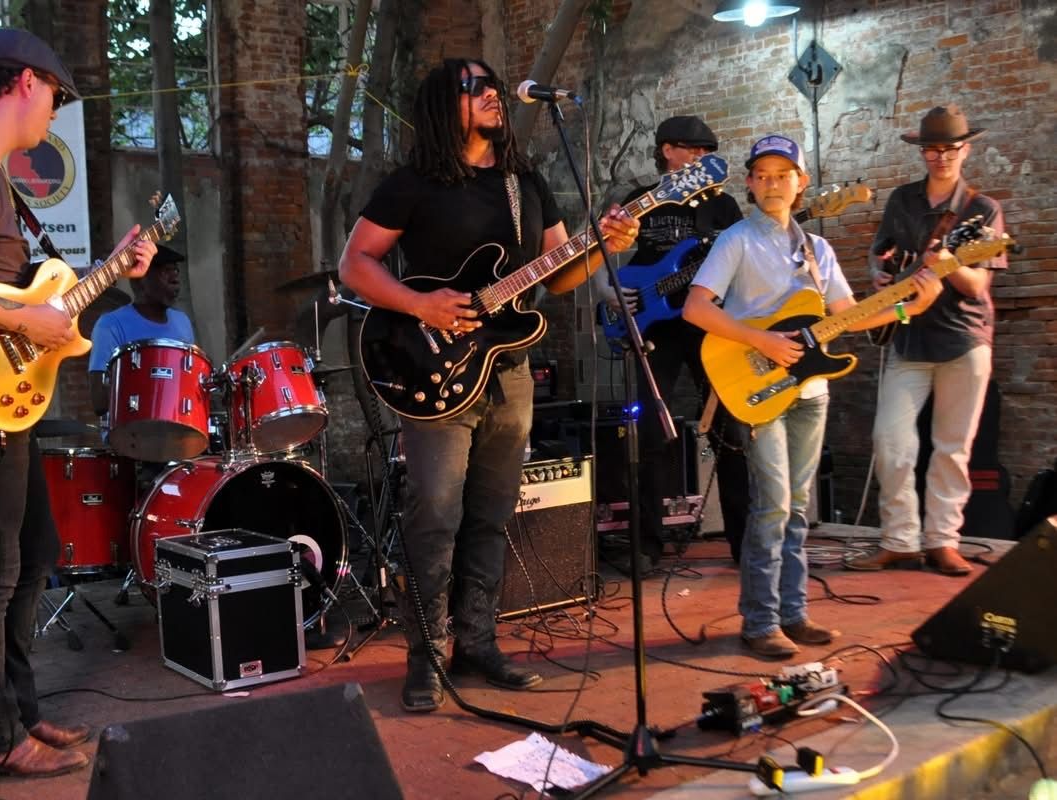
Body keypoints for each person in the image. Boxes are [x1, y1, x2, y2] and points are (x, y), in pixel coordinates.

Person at [339, 58, 638, 711]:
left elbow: (556, 273)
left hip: (507, 370)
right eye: (475, 87)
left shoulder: (523, 181)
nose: (492, 94)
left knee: (491, 513)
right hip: (431, 368)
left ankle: (476, 643)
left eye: (493, 85)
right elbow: (354, 264)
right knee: (435, 515)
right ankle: (425, 657)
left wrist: (603, 246)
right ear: (444, 104)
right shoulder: (414, 182)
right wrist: (419, 305)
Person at [0, 28, 156, 777]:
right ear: (23, 83)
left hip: (0, 402)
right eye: (54, 95)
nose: (55, 111)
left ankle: (21, 710)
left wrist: (113, 269)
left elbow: (39, 298)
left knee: (34, 556)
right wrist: (24, 323)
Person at [683, 135, 942, 659]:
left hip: (810, 391)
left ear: (800, 183)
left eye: (784, 174)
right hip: (758, 387)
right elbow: (696, 308)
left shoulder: (817, 249)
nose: (773, 183)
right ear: (750, 183)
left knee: (798, 507)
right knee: (773, 505)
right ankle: (760, 622)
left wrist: (906, 308)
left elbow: (846, 314)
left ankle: (793, 614)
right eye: (763, 175)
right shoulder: (735, 239)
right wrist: (761, 340)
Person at [846, 106, 1006, 577]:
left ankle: (943, 541)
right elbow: (880, 252)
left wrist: (947, 263)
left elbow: (977, 286)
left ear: (965, 150)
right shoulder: (902, 199)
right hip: (908, 334)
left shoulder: (982, 209)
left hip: (964, 337)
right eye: (932, 149)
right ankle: (899, 540)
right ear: (922, 151)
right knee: (890, 440)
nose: (941, 157)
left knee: (952, 447)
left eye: (950, 148)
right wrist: (879, 274)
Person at [595, 115, 748, 571]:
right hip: (654, 326)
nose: (701, 157)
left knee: (732, 431)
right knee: (647, 432)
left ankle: (745, 543)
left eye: (707, 152)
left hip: (710, 324)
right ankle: (647, 544)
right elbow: (597, 255)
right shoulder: (641, 200)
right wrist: (608, 291)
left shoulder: (723, 207)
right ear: (667, 150)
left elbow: (743, 261)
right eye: (693, 149)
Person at [87, 243, 194, 416]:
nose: (175, 279)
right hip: (130, 427)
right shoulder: (110, 325)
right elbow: (99, 400)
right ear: (141, 280)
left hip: (176, 423)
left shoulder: (183, 322)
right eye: (165, 271)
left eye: (176, 271)